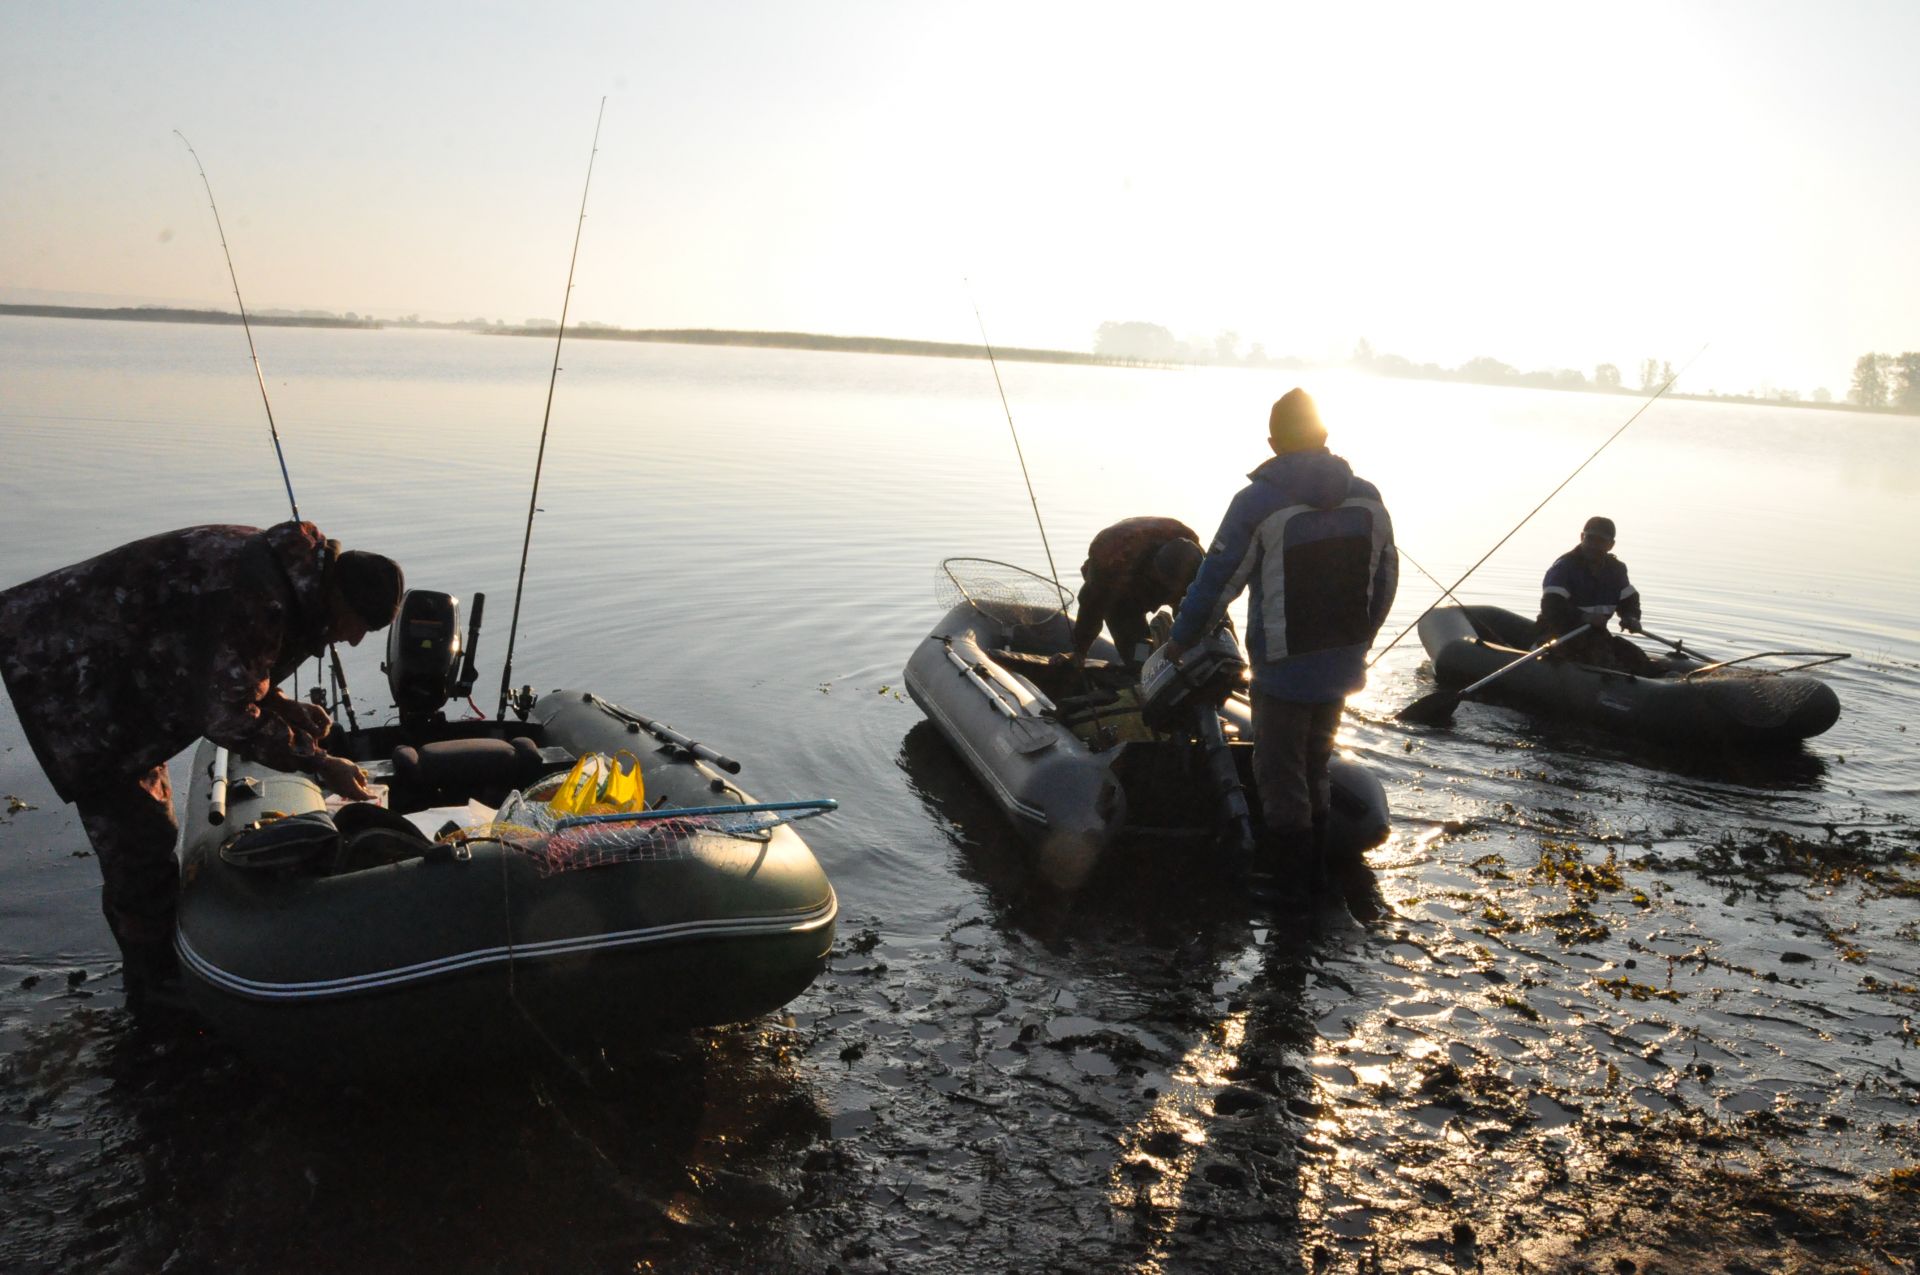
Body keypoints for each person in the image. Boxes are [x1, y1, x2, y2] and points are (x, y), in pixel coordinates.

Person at [0, 521, 404, 1007]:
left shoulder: (283, 573)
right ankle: (154, 994)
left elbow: (216, 661)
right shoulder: (260, 596)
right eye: (362, 625)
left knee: (147, 832)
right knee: (139, 840)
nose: (357, 641)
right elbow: (226, 716)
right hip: (71, 671)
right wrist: (319, 762)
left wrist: (283, 706)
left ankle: (157, 974)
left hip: (116, 667)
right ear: (340, 598)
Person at [1163, 389, 1397, 895]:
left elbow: (1216, 580)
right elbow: (1385, 579)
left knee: (1280, 778)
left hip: (1282, 669)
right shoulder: (1369, 496)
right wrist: (1362, 638)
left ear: (1273, 442)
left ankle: (1293, 901)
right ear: (1324, 436)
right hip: (1341, 663)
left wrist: (1181, 639)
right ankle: (1314, 880)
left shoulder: (1258, 502)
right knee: (1315, 768)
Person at [1066, 517, 1205, 669]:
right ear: (1155, 571)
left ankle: (1167, 634)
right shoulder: (1112, 559)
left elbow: (1211, 598)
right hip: (1123, 595)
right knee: (1138, 656)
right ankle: (1143, 660)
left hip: (1170, 573)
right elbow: (1091, 605)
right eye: (1170, 586)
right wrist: (1079, 651)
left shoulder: (1195, 553)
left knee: (1197, 617)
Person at [1535, 516, 1658, 675]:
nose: (1593, 545)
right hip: (1560, 634)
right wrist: (1583, 617)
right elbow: (1551, 607)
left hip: (1595, 634)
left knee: (1635, 656)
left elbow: (1629, 600)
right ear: (1582, 537)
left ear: (1611, 545)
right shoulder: (1564, 568)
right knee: (1602, 661)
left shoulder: (1616, 570)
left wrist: (1631, 617)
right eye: (1590, 538)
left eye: (1600, 541)